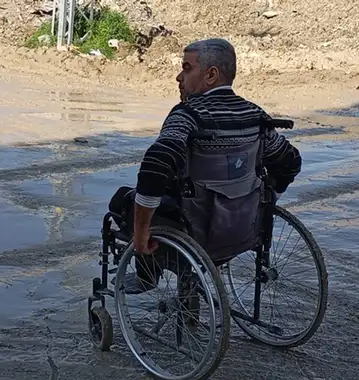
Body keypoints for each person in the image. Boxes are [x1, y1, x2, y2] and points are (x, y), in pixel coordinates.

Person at [110, 37, 302, 291]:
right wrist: (264, 200)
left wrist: (141, 231)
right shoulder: (255, 116)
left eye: (187, 68)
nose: (179, 77)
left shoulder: (188, 115)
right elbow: (291, 162)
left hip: (197, 232)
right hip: (243, 230)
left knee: (123, 200)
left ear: (211, 75)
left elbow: (156, 164)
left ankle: (147, 274)